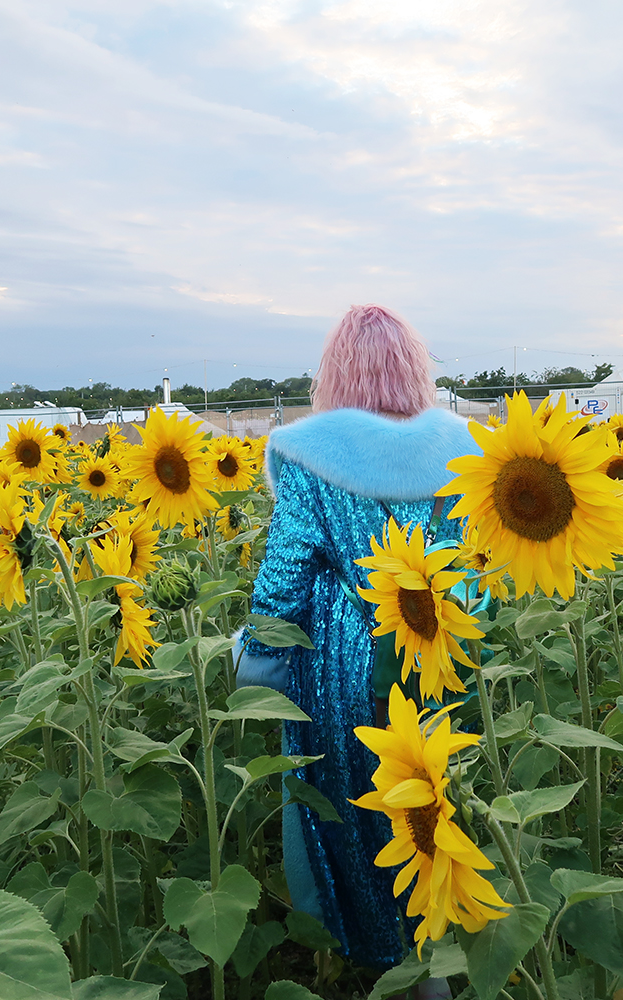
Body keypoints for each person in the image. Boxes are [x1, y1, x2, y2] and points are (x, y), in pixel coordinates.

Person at [235, 305, 477, 974]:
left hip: (345, 661)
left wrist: (260, 661)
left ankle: (384, 959)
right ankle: (445, 953)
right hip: (435, 650)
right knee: (436, 807)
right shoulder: (460, 450)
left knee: (362, 810)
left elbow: (283, 578)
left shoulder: (312, 453)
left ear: (334, 372)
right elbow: (469, 571)